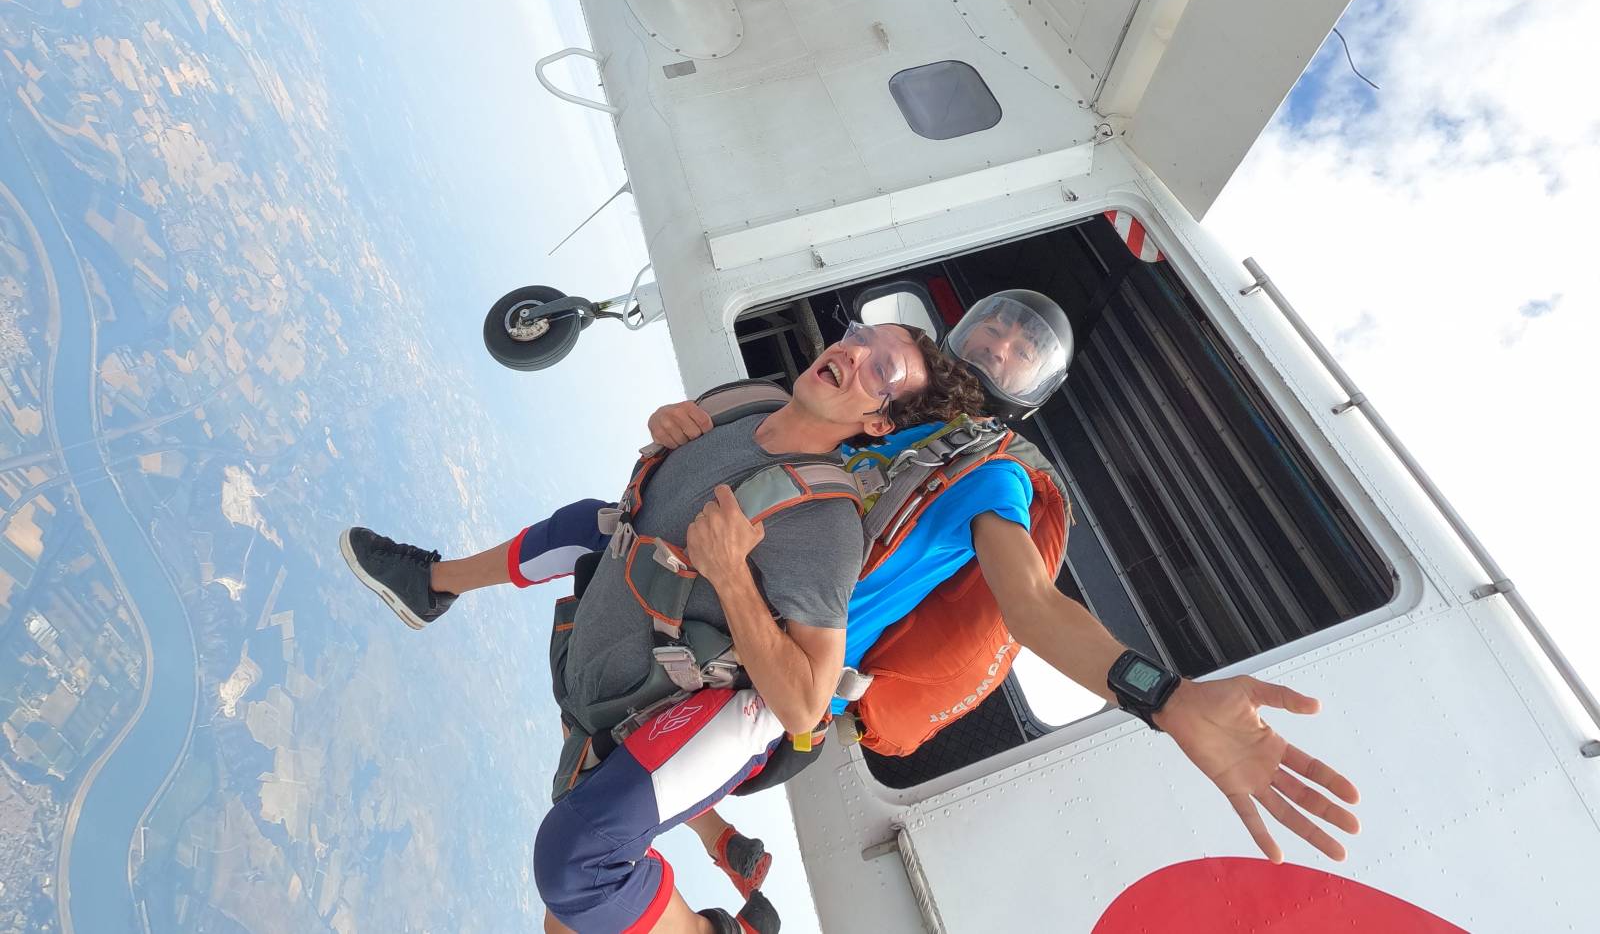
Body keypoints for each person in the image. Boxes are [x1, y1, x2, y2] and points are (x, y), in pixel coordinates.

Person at [654, 291, 1361, 895]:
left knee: (586, 846)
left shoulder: (994, 473)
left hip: (769, 675)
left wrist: (1165, 697)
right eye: (1000, 324)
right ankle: (717, 837)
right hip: (719, 606)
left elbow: (1032, 604)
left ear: (1034, 388)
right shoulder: (876, 410)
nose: (1004, 341)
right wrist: (681, 432)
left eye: (1028, 346)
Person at [340, 321, 988, 934]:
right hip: (617, 662)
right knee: (590, 525)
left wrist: (732, 575)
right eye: (857, 336)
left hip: (730, 713)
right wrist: (660, 429)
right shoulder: (743, 406)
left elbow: (804, 705)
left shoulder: (825, 528)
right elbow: (654, 504)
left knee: (576, 866)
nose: (850, 351)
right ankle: (429, 587)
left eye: (881, 367)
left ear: (877, 421)